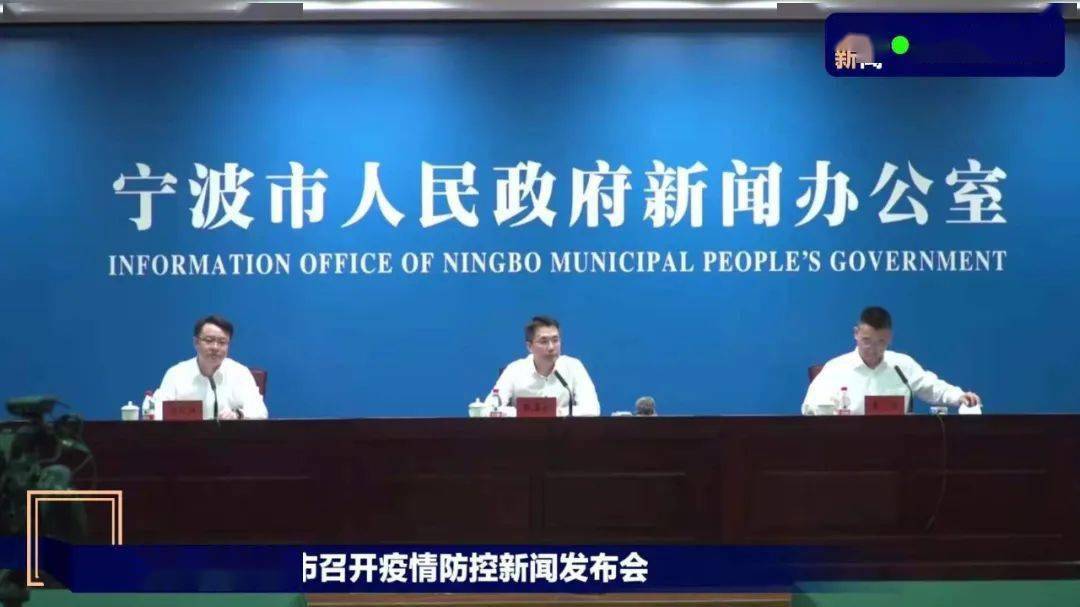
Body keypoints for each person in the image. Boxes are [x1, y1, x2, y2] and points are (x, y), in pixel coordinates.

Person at [802, 306, 981, 415]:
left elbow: (932, 387)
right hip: (848, 446)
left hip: (899, 447)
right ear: (856, 334)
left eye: (881, 342)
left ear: (890, 338)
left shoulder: (901, 366)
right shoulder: (836, 368)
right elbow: (810, 408)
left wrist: (959, 396)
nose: (873, 348)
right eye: (867, 340)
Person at [154, 315, 269, 420]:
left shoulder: (240, 373)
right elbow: (157, 412)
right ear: (196, 342)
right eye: (209, 341)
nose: (215, 347)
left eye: (222, 342)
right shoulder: (176, 374)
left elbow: (260, 411)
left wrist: (238, 415)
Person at [488, 316, 600, 417]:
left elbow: (592, 409)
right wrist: (523, 412)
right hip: (523, 431)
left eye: (555, 340)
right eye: (544, 341)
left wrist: (556, 412)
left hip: (563, 431)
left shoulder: (574, 367)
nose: (551, 347)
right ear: (529, 346)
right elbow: (489, 409)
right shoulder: (514, 370)